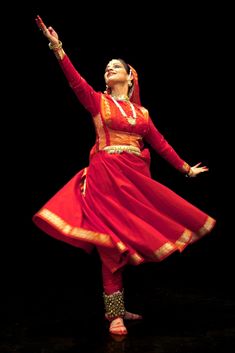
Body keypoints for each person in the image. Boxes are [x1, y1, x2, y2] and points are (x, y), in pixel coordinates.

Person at [33, 15, 216, 336]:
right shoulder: (97, 102)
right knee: (110, 246)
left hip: (135, 182)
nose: (108, 69)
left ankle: (119, 306)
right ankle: (114, 314)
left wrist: (186, 169)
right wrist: (57, 47)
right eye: (106, 68)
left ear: (130, 77)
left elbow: (160, 144)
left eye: (115, 66)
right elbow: (75, 81)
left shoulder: (142, 113)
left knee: (131, 240)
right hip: (105, 179)